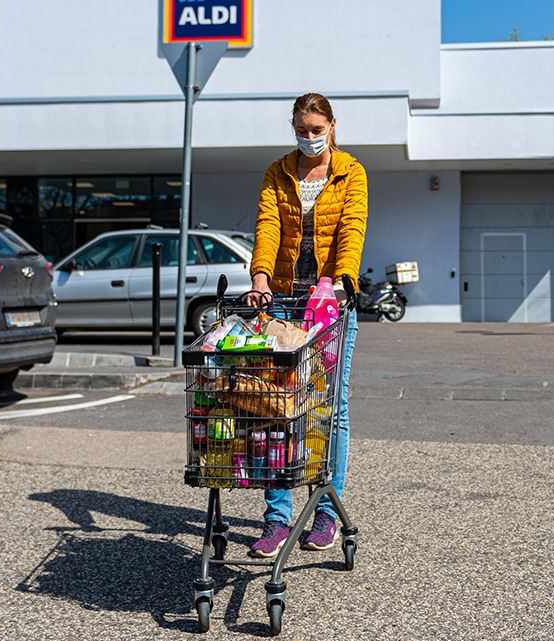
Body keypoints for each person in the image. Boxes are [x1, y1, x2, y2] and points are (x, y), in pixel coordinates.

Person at [246, 92, 368, 558]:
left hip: (330, 303)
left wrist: (341, 284)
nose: (310, 138)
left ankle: (325, 513)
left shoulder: (351, 172)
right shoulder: (278, 172)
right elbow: (268, 226)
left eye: (318, 130)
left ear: (333, 126)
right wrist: (260, 279)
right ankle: (277, 519)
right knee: (275, 408)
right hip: (282, 301)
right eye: (303, 129)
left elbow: (352, 228)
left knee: (328, 407)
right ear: (293, 126)